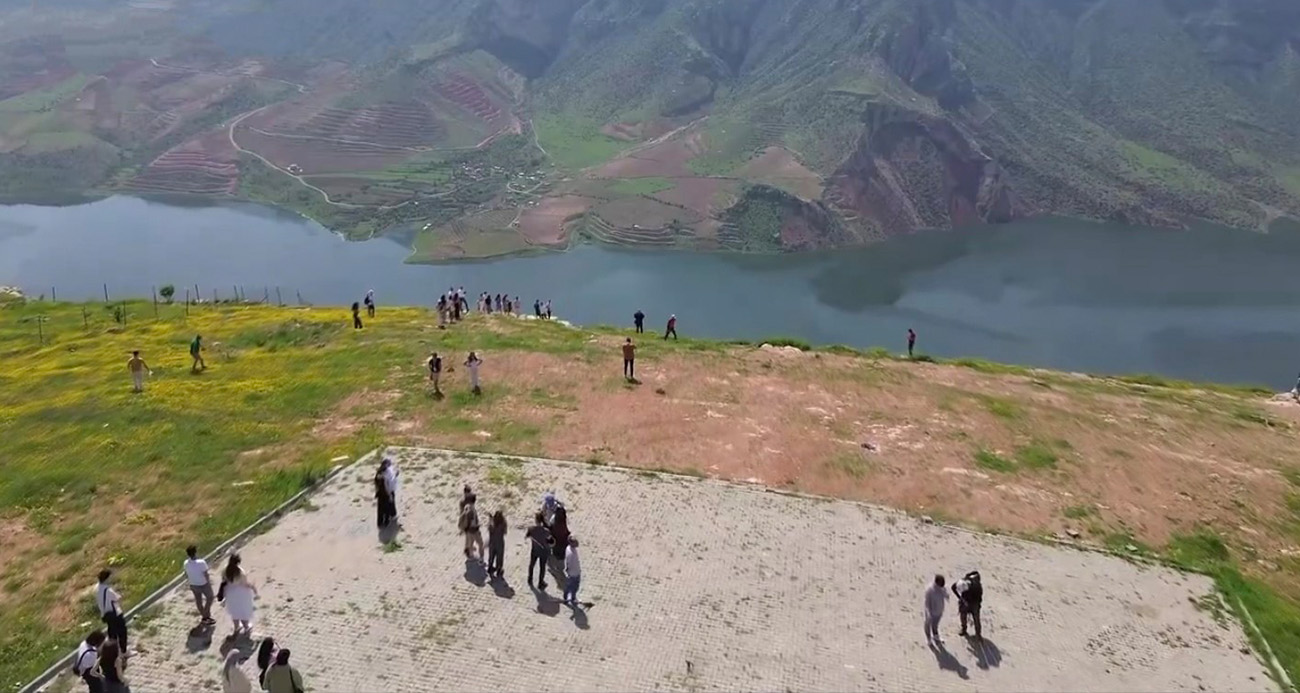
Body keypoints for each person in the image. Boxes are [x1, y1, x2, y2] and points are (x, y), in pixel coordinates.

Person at [221, 554, 258, 638]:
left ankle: (236, 627)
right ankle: (246, 627)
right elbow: (245, 584)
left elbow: (224, 581)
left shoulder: (225, 570)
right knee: (243, 611)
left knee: (234, 612)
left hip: (230, 592)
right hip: (241, 594)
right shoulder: (240, 572)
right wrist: (253, 587)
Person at [95, 570, 129, 657]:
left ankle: (112, 652)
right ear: (106, 578)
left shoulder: (97, 588)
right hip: (115, 614)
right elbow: (117, 598)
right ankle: (124, 651)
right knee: (122, 632)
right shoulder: (108, 590)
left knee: (112, 634)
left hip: (106, 614)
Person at [183, 545, 216, 624]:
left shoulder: (186, 563)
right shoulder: (201, 562)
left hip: (193, 584)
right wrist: (209, 582)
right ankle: (206, 615)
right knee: (210, 597)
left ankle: (204, 616)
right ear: (195, 552)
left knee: (198, 600)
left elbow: (186, 573)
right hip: (203, 584)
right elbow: (206, 574)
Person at [525, 512, 553, 589]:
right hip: (543, 551)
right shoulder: (546, 531)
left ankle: (530, 579)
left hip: (534, 550)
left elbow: (527, 536)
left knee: (532, 565)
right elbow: (550, 541)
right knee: (542, 567)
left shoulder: (531, 529)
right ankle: (540, 582)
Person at [953, 570, 983, 639]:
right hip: (965, 602)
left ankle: (978, 634)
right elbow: (953, 587)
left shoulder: (978, 587)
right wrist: (961, 598)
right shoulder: (963, 583)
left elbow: (979, 598)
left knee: (976, 619)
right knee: (964, 617)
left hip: (974, 604)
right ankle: (964, 629)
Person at [924, 574, 948, 645]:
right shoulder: (930, 590)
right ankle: (929, 639)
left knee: (935, 625)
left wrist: (946, 595)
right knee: (928, 625)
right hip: (931, 611)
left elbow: (945, 595)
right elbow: (927, 602)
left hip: (939, 610)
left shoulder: (942, 588)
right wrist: (928, 613)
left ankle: (936, 637)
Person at [459, 493, 484, 561]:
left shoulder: (467, 507)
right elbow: (471, 521)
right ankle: (481, 558)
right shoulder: (471, 510)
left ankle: (470, 556)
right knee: (480, 543)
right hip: (474, 530)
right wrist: (477, 525)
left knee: (470, 543)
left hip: (469, 530)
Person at [374, 460, 397, 528]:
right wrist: (389, 494)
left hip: (380, 494)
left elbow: (376, 484)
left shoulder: (378, 473)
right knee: (388, 507)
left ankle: (380, 522)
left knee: (380, 509)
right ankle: (387, 521)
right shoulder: (387, 474)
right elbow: (389, 485)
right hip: (387, 493)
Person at [487, 509, 508, 578]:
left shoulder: (492, 524)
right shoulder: (503, 524)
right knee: (500, 556)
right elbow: (505, 532)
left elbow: (489, 529)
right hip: (500, 542)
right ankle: (499, 569)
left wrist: (490, 520)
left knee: (491, 556)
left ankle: (490, 567)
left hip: (492, 542)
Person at [562, 537, 582, 606]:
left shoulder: (569, 548)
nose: (577, 543)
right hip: (574, 573)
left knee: (568, 586)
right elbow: (569, 564)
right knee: (574, 587)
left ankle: (566, 598)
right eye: (575, 542)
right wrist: (569, 572)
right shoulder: (571, 553)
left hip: (574, 571)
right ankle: (572, 599)